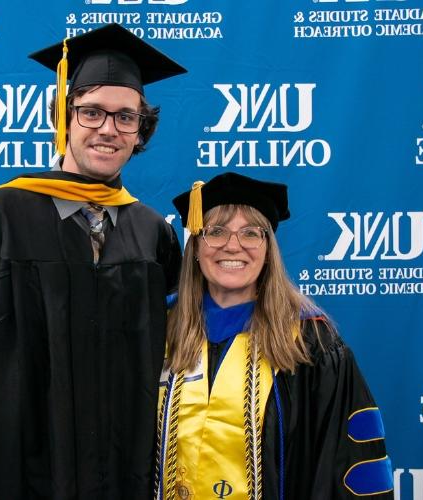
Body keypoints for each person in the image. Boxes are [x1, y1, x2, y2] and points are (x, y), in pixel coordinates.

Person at [0, 24, 185, 500]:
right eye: (91, 113)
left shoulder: (154, 234)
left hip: (121, 476)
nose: (108, 129)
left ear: (140, 130)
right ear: (63, 118)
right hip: (15, 475)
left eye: (126, 117)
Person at [155, 173, 394, 500]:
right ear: (195, 247)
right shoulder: (158, 330)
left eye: (251, 233)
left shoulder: (310, 343)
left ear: (268, 250)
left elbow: (348, 465)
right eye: (216, 232)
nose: (233, 245)